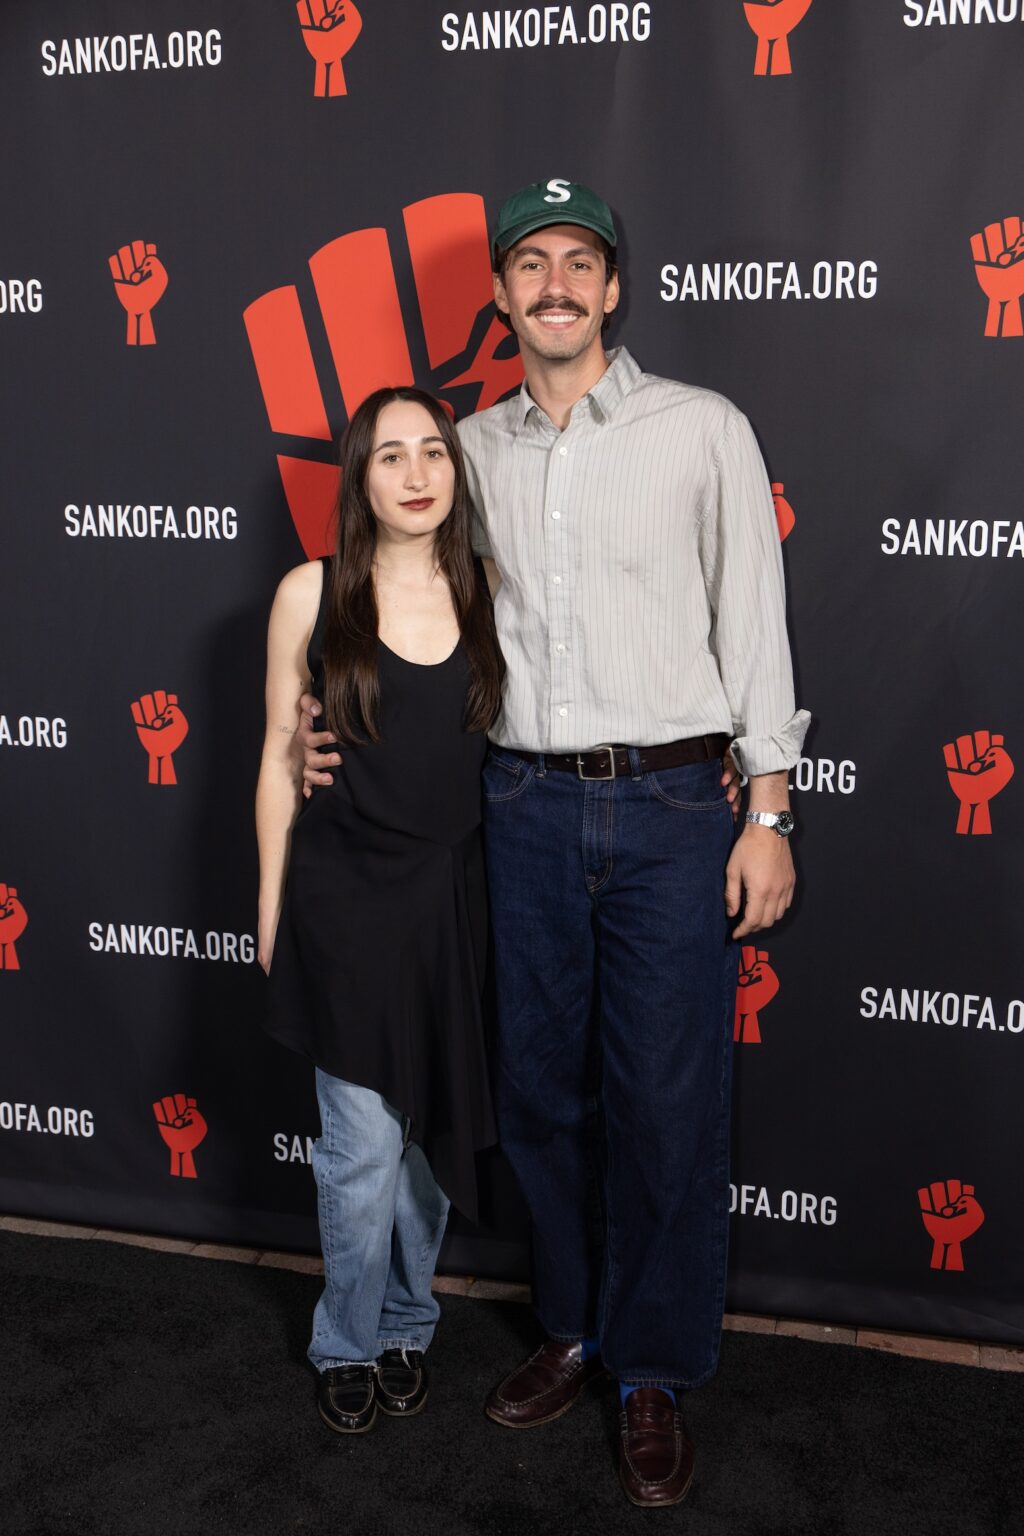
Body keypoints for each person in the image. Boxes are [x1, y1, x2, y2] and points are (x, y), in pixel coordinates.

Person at [299, 180, 808, 1505]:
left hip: (672, 807)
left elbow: (754, 621)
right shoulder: (463, 453)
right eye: (532, 264)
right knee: (541, 1098)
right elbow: (390, 595)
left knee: (669, 1106)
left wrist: (768, 807)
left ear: (614, 286)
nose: (557, 284)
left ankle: (652, 1369)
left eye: (581, 261)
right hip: (515, 810)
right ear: (507, 295)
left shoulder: (705, 430)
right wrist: (308, 716)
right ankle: (574, 1328)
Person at [256, 386, 502, 1436]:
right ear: (359, 478)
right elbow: (278, 758)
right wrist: (268, 904)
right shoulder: (309, 594)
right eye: (390, 456)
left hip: (458, 905)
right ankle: (345, 1341)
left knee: (427, 1152)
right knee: (359, 1152)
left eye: (433, 453)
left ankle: (409, 1324)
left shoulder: (492, 590)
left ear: (455, 469)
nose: (415, 475)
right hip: (345, 903)